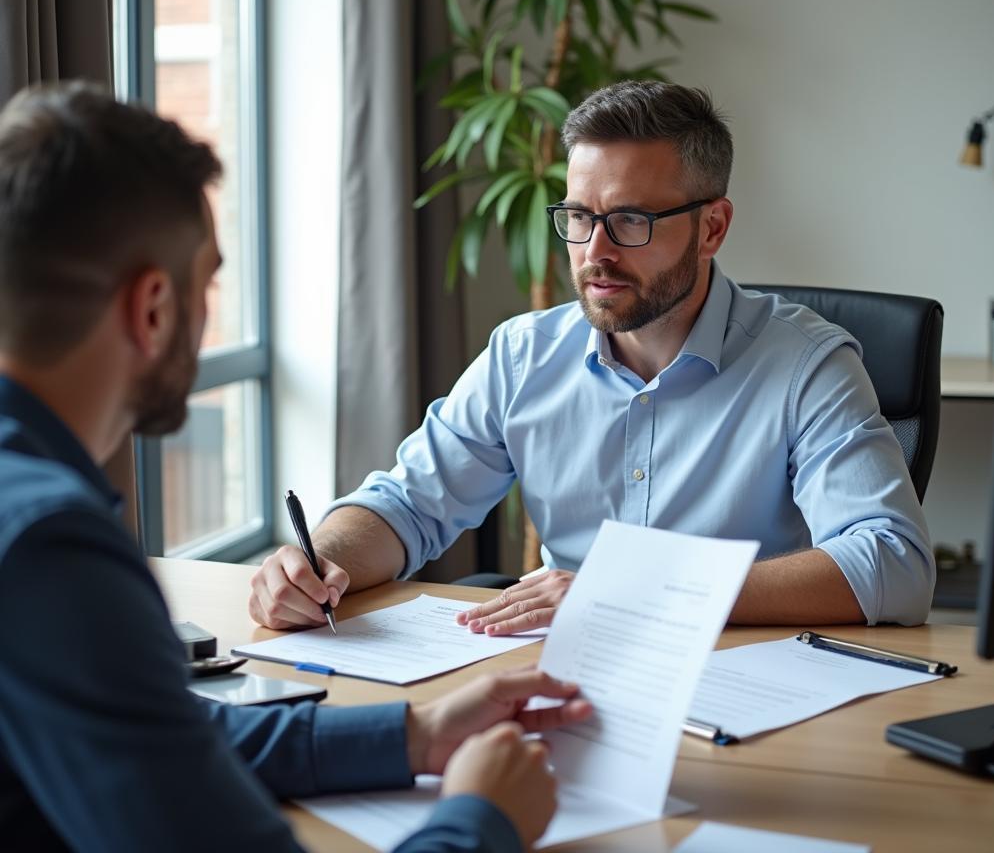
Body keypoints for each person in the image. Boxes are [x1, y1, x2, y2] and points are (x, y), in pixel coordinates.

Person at [0, 82, 591, 853]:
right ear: (152, 308)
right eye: (209, 281)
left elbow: (164, 738)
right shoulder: (53, 548)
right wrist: (485, 817)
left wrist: (414, 735)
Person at [249, 81, 935, 638]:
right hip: (559, 682)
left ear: (712, 228)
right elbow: (407, 505)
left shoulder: (805, 365)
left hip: (739, 680)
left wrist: (635, 594)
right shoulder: (523, 355)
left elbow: (894, 564)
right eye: (579, 217)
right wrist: (317, 565)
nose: (594, 252)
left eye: (631, 220)